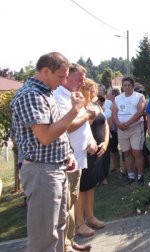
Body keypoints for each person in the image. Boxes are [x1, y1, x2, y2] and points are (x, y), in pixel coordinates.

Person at [10, 52, 85, 252]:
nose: (63, 82)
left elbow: (57, 130)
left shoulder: (45, 93)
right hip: (42, 172)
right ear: (45, 71)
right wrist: (74, 111)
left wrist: (67, 154)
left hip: (55, 169)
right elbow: (45, 136)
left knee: (58, 228)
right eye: (60, 76)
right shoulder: (31, 95)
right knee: (45, 236)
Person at [53, 63, 97, 251]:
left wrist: (90, 140)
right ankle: (64, 244)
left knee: (70, 202)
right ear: (67, 76)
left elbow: (79, 126)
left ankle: (69, 242)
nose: (82, 82)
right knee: (65, 206)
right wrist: (87, 114)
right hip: (66, 159)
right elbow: (68, 126)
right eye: (79, 78)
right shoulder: (59, 96)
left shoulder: (74, 96)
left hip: (77, 157)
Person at [75, 79, 109, 238]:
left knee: (91, 185)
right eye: (91, 89)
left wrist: (106, 143)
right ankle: (80, 223)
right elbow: (81, 129)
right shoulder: (80, 108)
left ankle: (91, 217)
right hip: (84, 151)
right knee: (81, 187)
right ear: (83, 90)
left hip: (98, 151)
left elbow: (105, 125)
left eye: (95, 89)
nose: (94, 92)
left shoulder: (96, 105)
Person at [112, 77, 146, 185]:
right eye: (124, 85)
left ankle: (140, 176)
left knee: (137, 152)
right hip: (121, 129)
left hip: (135, 128)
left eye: (129, 85)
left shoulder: (139, 96)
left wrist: (128, 123)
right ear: (122, 86)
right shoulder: (118, 98)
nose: (126, 87)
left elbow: (140, 112)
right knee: (126, 153)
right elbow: (114, 113)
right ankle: (130, 175)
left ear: (132, 86)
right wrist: (118, 124)